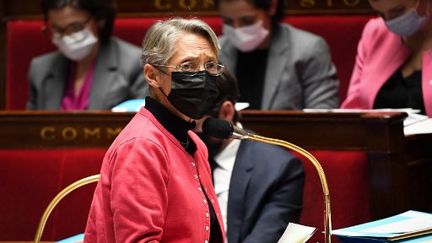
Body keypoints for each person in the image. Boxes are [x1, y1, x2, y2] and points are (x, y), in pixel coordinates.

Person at [84, 18, 225, 243]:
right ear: (152, 75)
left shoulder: (194, 142)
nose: (203, 76)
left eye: (210, 66)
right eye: (187, 66)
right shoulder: (141, 146)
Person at [195, 69, 305, 243]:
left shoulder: (279, 170)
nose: (188, 132)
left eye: (194, 123)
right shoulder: (173, 155)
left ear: (226, 113)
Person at [215, 0, 339, 110]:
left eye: (248, 21)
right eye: (228, 22)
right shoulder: (213, 52)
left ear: (272, 7)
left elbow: (323, 118)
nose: (237, 29)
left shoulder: (308, 49)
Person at [27, 0, 147, 110]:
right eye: (57, 29)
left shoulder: (136, 63)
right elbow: (30, 128)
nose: (66, 37)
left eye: (75, 27)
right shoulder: (40, 69)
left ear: (100, 20)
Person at [341, 0, 432, 116]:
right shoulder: (376, 32)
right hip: (377, 134)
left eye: (398, 10)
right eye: (381, 14)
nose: (390, 22)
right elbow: (353, 110)